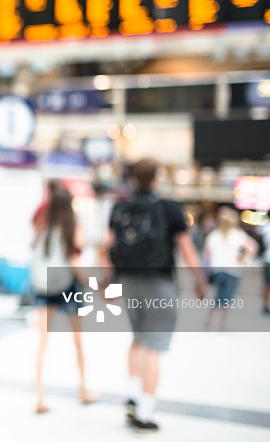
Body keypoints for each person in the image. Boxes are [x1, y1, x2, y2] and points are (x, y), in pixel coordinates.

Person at [100, 158, 206, 433]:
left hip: (129, 282)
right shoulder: (169, 208)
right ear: (157, 178)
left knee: (137, 340)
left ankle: (132, 396)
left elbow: (106, 248)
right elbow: (186, 248)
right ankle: (145, 413)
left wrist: (108, 283)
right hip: (159, 283)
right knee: (154, 347)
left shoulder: (121, 206)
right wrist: (200, 278)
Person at [30, 187, 96, 414]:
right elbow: (76, 265)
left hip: (43, 287)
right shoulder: (73, 230)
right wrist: (96, 285)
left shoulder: (42, 228)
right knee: (77, 340)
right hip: (68, 287)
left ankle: (39, 396)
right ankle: (83, 389)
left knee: (42, 343)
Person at [204, 207, 258, 330]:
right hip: (234, 271)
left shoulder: (215, 234)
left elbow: (206, 253)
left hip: (218, 270)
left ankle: (210, 319)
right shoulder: (238, 235)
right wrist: (244, 259)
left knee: (218, 295)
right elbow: (253, 247)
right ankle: (222, 323)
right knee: (227, 298)